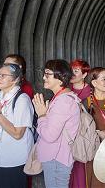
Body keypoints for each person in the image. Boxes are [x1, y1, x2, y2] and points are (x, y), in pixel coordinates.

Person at [0, 64, 34, 188]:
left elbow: (18, 134)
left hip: (14, 158)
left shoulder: (22, 99)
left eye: (3, 76)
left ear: (15, 79)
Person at [33, 60, 80, 188]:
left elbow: (49, 135)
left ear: (60, 79)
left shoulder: (63, 102)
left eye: (47, 74)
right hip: (58, 157)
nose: (43, 77)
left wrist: (42, 115)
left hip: (56, 160)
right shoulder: (61, 97)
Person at [69, 59, 91, 188]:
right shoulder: (66, 91)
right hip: (68, 138)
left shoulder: (91, 92)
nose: (72, 73)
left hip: (84, 138)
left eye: (76, 71)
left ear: (84, 75)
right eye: (71, 70)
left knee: (81, 172)